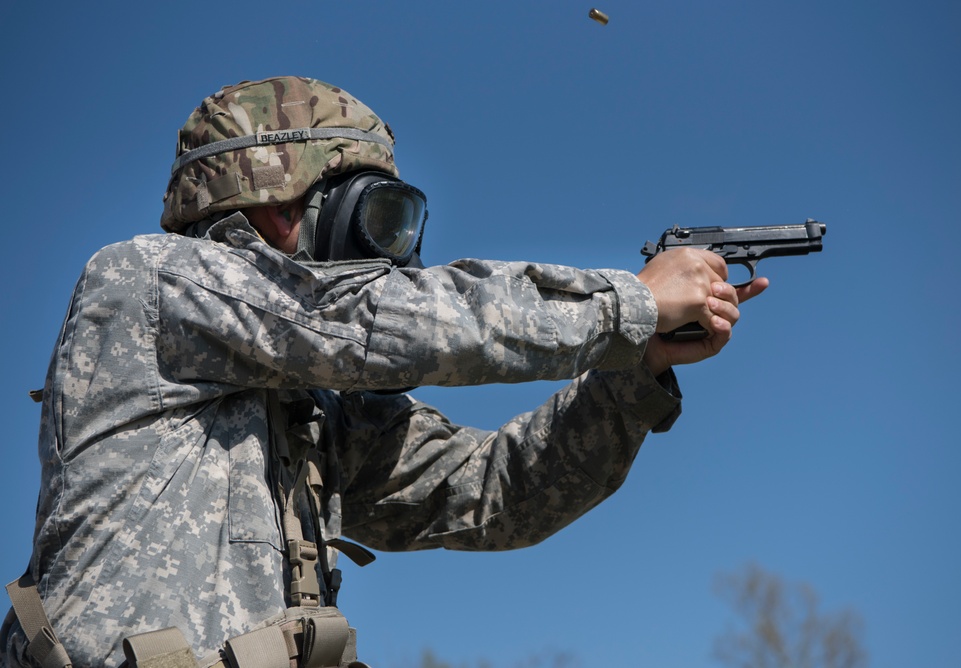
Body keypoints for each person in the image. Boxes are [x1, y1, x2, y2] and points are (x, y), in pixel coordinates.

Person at [1, 76, 767, 668]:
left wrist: (631, 377)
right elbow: (364, 320)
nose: (386, 250)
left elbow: (496, 494)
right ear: (277, 203)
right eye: (374, 212)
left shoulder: (310, 415)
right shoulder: (148, 282)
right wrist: (628, 303)